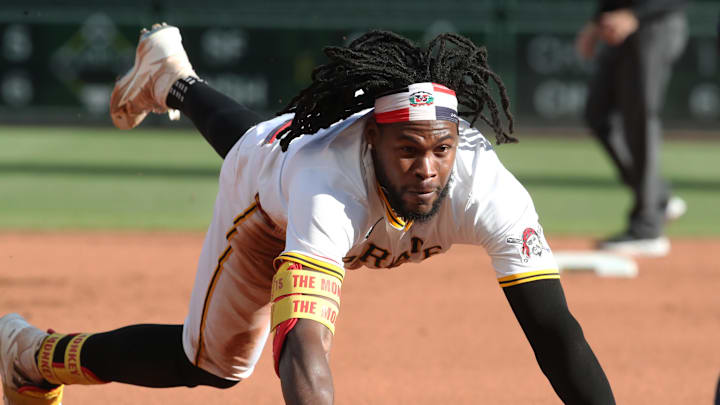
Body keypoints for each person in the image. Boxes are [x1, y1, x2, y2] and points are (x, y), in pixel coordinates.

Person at [0, 24, 615, 404]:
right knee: (213, 365)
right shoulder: (329, 189)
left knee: (264, 140)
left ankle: (174, 80)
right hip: (264, 210)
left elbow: (555, 333)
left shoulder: (488, 189)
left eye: (440, 149)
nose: (426, 168)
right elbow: (303, 348)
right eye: (406, 150)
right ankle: (29, 353)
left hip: (288, 148)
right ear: (372, 141)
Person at [575, 0, 688, 256]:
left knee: (640, 119)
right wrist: (596, 23)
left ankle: (647, 227)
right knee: (597, 114)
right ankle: (657, 197)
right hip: (619, 27)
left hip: (655, 25)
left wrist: (635, 14)